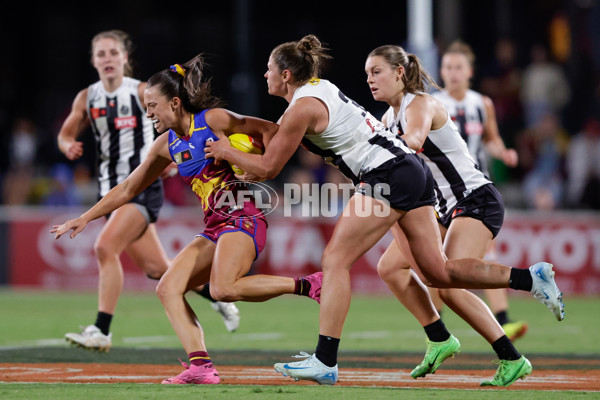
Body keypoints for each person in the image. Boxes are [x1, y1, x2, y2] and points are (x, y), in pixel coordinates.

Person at [204, 34, 565, 386]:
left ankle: (325, 360)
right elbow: (275, 136)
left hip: (388, 174)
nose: (264, 74)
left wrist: (225, 152)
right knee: (436, 273)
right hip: (410, 172)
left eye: (269, 69)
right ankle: (527, 280)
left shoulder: (304, 106)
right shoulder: (317, 90)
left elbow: (269, 168)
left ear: (286, 75)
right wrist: (237, 140)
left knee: (334, 260)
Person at [52, 54, 322, 385]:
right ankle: (201, 367)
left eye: (152, 106)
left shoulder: (214, 120)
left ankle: (309, 285)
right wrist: (85, 217)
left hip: (243, 214)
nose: (148, 113)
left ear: (176, 103)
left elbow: (272, 130)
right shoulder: (165, 145)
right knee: (168, 287)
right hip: (214, 225)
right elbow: (128, 188)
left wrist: (250, 161)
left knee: (223, 289)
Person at [55, 30, 240, 352]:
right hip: (112, 191)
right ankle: (213, 295)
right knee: (158, 270)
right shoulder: (87, 98)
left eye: (113, 52)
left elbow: (173, 128)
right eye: (101, 54)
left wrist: (174, 155)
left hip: (139, 187)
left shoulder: (144, 91)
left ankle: (101, 329)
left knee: (104, 247)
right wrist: (67, 143)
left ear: (125, 58)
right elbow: (65, 133)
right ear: (93, 60)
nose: (107, 58)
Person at [366, 44, 531, 387]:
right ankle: (439, 337)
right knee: (391, 268)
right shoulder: (387, 117)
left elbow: (411, 141)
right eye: (367, 74)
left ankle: (526, 291)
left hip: (475, 198)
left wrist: (367, 146)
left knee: (448, 282)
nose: (370, 79)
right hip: (444, 209)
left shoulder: (420, 104)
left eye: (376, 71)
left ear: (399, 73)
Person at [430, 40, 527, 342]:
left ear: (470, 71)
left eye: (458, 67)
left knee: (482, 253)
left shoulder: (482, 104)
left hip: (474, 188)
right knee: (434, 261)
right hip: (441, 193)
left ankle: (501, 320)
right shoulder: (433, 102)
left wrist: (504, 152)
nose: (453, 72)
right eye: (448, 67)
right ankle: (437, 328)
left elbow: (492, 139)